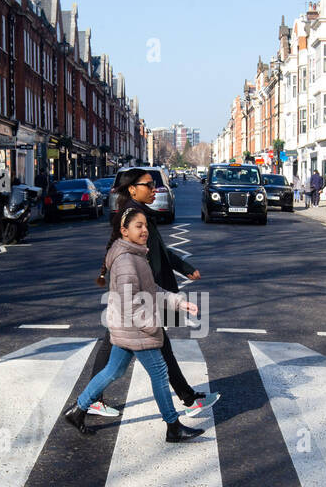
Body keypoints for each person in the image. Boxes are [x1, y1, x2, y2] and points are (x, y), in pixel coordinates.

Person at [66, 206, 206, 443]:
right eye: (138, 226)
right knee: (160, 373)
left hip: (126, 328)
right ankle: (173, 427)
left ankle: (78, 411)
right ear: (124, 230)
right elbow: (130, 303)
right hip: (136, 329)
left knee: (114, 370)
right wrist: (152, 327)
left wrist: (179, 303)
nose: (144, 231)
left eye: (145, 226)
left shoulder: (136, 255)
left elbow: (152, 291)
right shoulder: (126, 262)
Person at [91, 167, 221, 418]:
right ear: (132, 189)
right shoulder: (134, 215)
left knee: (118, 342)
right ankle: (188, 400)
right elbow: (142, 256)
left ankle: (90, 401)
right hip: (139, 291)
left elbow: (157, 250)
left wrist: (184, 267)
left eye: (154, 185)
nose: (154, 189)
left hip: (137, 290)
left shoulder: (137, 212)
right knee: (153, 344)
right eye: (148, 185)